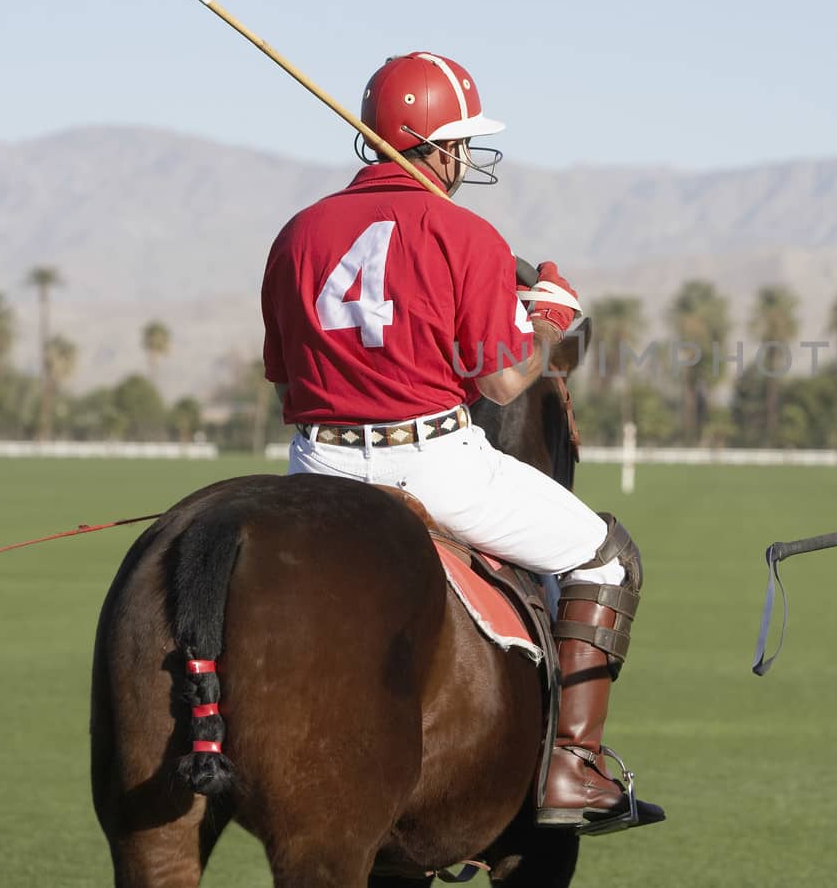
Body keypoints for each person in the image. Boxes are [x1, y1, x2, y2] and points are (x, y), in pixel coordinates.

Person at [261, 51, 663, 833]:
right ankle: (573, 769)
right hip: (432, 464)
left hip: (313, 471)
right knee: (606, 555)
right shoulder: (462, 230)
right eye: (462, 142)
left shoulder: (296, 234)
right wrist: (547, 315)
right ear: (436, 145)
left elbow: (285, 384)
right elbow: (505, 383)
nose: (466, 158)